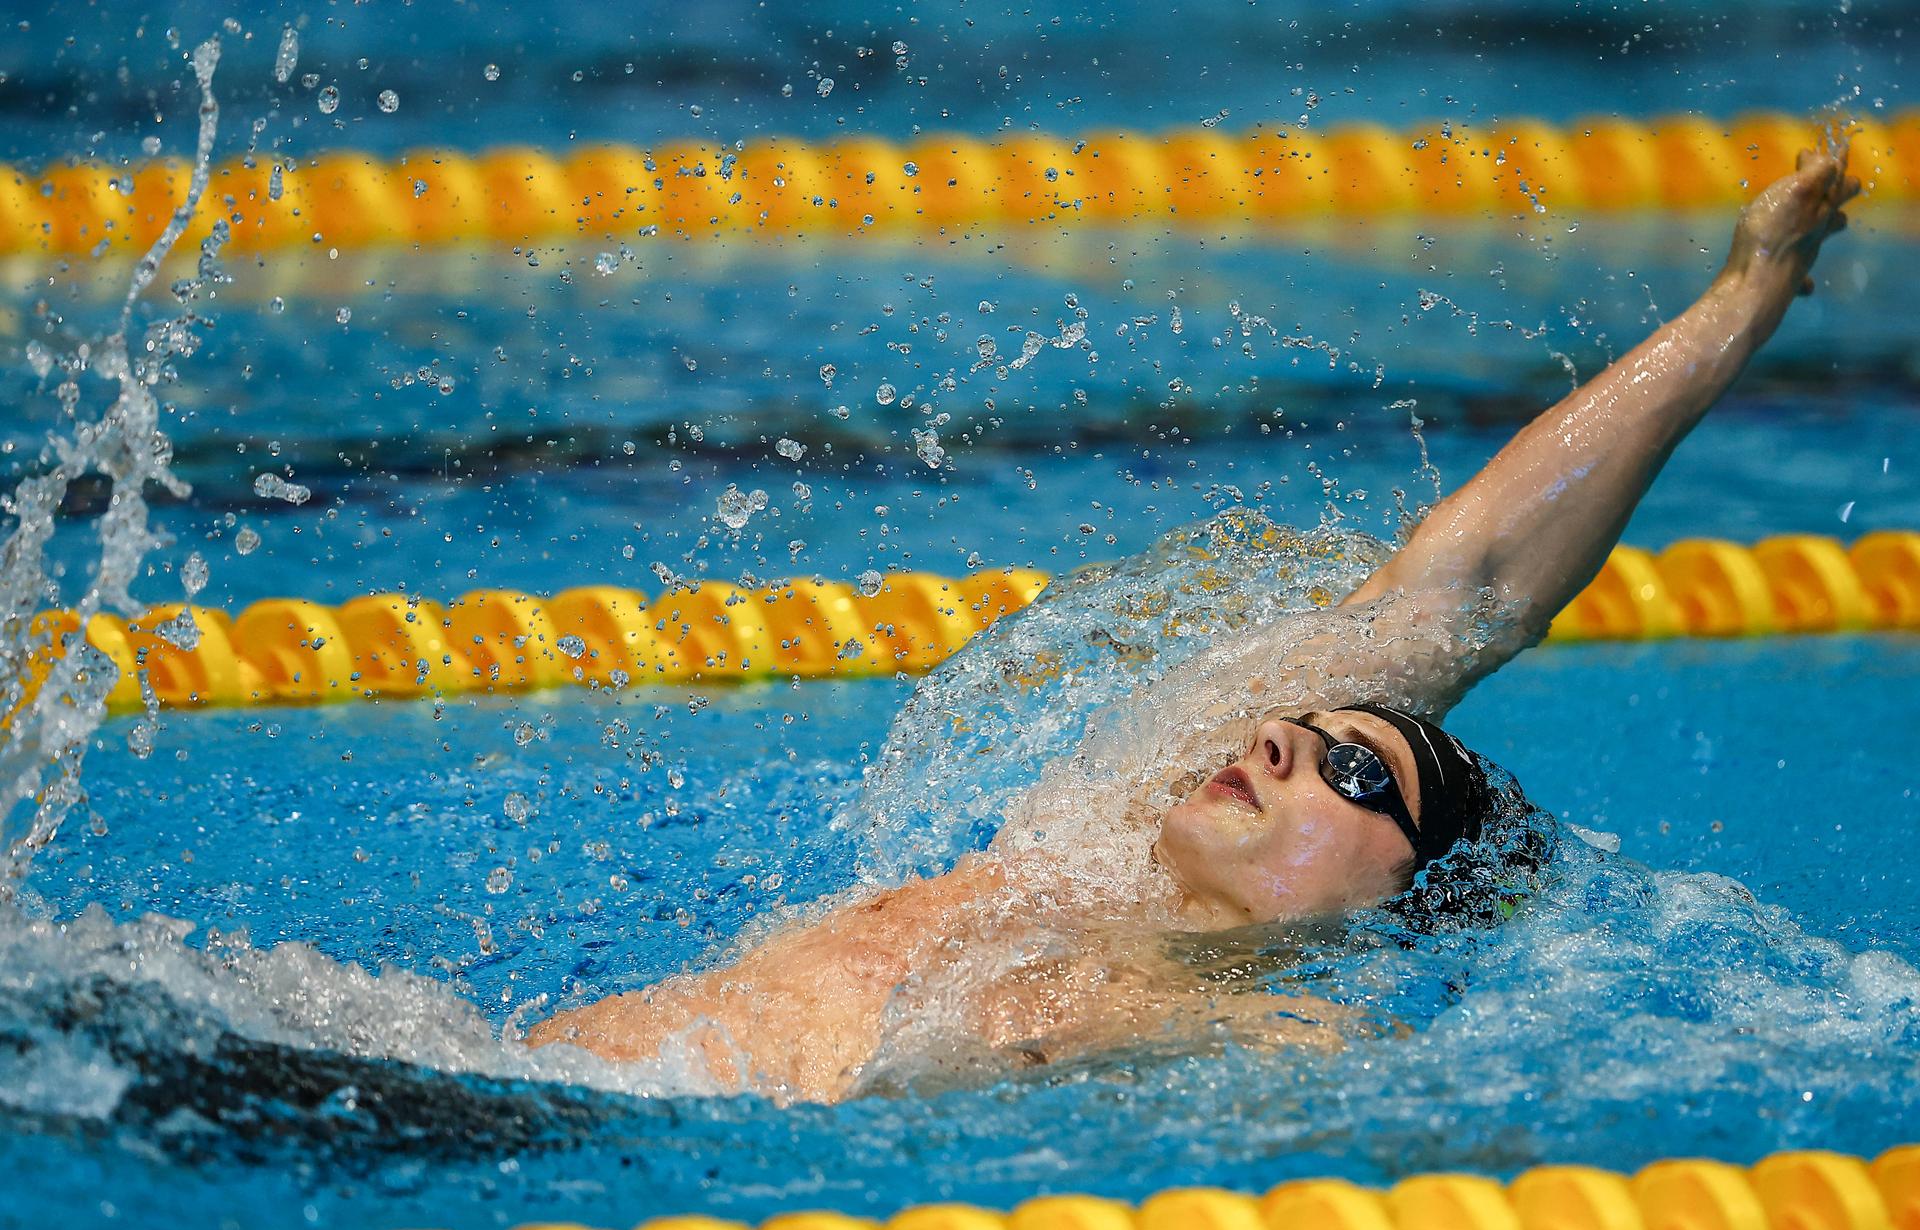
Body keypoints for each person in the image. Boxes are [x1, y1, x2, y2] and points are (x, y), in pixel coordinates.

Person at [525, 144, 1860, 1103]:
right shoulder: (1104, 834)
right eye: (1306, 729)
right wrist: (1741, 300)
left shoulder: (1254, 1026)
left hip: (563, 1153)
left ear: (1396, 899)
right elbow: (1469, 594)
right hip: (495, 1063)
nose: (1283, 740)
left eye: (1353, 770)